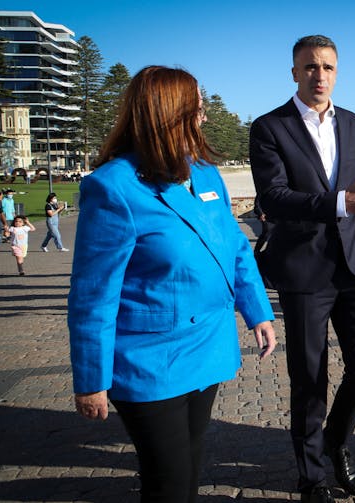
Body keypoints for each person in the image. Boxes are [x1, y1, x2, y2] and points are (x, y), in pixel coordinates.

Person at [68, 65, 277, 503]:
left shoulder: (205, 174)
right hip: (149, 359)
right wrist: (91, 379)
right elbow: (94, 293)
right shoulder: (113, 187)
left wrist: (257, 309)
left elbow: (236, 249)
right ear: (167, 115)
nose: (203, 118)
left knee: (190, 464)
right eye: (196, 111)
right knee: (168, 480)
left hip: (208, 344)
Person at [249, 35, 355, 503]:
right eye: (310, 67)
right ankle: (311, 477)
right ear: (294, 72)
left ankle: (334, 442)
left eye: (328, 67)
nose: (319, 75)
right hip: (305, 270)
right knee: (310, 379)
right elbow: (272, 198)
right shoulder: (270, 127)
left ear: (337, 72)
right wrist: (339, 202)